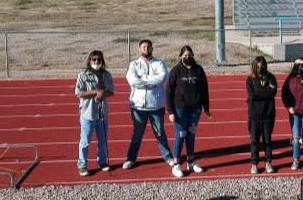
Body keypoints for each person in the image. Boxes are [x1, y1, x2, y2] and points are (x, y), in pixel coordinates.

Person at [123, 39, 175, 171]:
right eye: (143, 47)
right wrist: (151, 82)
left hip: (156, 106)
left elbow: (162, 78)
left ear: (152, 49)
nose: (146, 49)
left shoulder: (160, 63)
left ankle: (168, 157)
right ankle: (131, 159)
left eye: (148, 47)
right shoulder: (133, 64)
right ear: (139, 50)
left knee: (160, 133)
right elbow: (133, 81)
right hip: (138, 107)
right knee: (137, 134)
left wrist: (143, 78)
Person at [166, 45, 212, 177]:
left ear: (193, 56)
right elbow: (168, 92)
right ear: (180, 56)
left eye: (189, 55)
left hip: (195, 109)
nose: (187, 58)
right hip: (180, 109)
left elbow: (204, 89)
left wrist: (206, 108)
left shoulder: (199, 70)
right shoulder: (175, 71)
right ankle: (176, 164)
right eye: (185, 55)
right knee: (181, 134)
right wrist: (171, 112)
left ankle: (191, 161)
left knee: (191, 134)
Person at [75, 50, 115, 176]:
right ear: (90, 61)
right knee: (85, 141)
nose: (96, 62)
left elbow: (111, 91)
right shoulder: (83, 75)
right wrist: (95, 92)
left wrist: (103, 94)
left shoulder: (106, 75)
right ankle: (82, 165)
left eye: (99, 60)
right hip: (88, 113)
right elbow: (79, 93)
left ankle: (102, 162)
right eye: (94, 60)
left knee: (103, 140)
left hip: (102, 113)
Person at [246, 56, 278, 174]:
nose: (260, 68)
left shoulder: (271, 78)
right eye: (258, 66)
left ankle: (268, 162)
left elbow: (273, 93)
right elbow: (253, 96)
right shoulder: (250, 79)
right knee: (254, 141)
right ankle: (254, 164)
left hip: (268, 115)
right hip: (254, 115)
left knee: (268, 140)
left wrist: (260, 91)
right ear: (254, 67)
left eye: (262, 66)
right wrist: (266, 91)